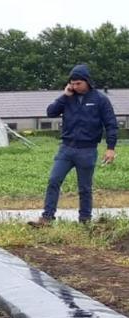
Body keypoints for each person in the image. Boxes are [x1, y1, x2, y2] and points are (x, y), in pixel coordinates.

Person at [30, 64, 118, 227]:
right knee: (54, 180)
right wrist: (64, 96)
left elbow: (111, 124)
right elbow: (50, 112)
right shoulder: (67, 98)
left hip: (88, 150)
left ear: (87, 82)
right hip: (66, 148)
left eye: (79, 83)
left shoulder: (100, 100)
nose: (75, 86)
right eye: (73, 83)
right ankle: (47, 218)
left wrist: (111, 148)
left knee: (84, 188)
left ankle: (85, 221)